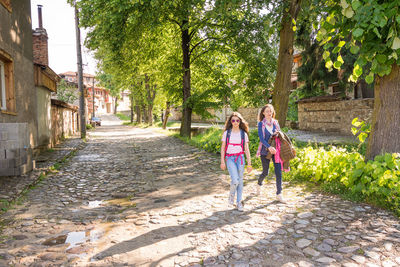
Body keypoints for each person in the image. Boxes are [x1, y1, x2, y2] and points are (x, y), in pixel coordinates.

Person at [220, 112, 252, 211]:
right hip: (230, 158)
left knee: (240, 180)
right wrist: (222, 161)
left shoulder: (243, 134)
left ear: (240, 121)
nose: (235, 122)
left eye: (237, 120)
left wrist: (249, 164)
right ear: (230, 121)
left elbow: (246, 149)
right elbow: (223, 148)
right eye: (233, 120)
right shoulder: (227, 133)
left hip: (240, 158)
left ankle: (239, 202)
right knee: (235, 180)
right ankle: (231, 196)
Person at [255, 104, 285, 203]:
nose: (269, 113)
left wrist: (278, 135)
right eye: (267, 111)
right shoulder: (261, 124)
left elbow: (280, 135)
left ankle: (279, 193)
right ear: (263, 113)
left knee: (278, 172)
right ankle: (259, 183)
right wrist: (269, 147)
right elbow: (262, 139)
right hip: (265, 151)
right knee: (265, 172)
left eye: (271, 111)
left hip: (276, 151)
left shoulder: (276, 123)